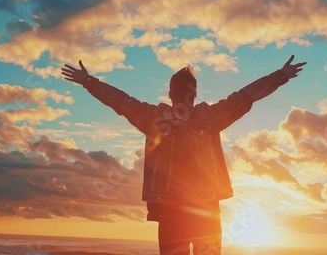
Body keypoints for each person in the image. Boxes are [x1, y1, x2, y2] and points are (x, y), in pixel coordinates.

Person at [62, 55, 306, 254]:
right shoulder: (211, 116)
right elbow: (245, 96)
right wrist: (280, 75)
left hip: (171, 212)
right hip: (206, 211)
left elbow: (121, 102)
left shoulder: (153, 117)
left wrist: (89, 81)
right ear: (194, 94)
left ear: (170, 94)